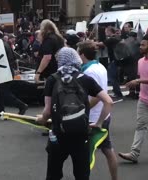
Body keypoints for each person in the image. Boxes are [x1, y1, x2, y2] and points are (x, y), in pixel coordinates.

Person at [37, 47, 113, 180]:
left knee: (53, 175)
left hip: (58, 136)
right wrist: (99, 123)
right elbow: (108, 101)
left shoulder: (52, 79)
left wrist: (42, 119)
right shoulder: (85, 79)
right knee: (82, 175)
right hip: (81, 134)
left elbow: (47, 112)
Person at [78, 41, 118, 180]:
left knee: (84, 154)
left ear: (82, 54)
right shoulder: (100, 66)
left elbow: (97, 95)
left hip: (93, 117)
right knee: (107, 149)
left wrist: (83, 108)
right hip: (103, 114)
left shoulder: (88, 71)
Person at [118, 35, 148, 163]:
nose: (140, 47)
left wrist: (138, 80)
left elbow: (141, 79)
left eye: (143, 45)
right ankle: (134, 153)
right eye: (140, 44)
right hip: (143, 100)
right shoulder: (140, 61)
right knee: (140, 126)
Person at [0, 30, 28, 118]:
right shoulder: (7, 44)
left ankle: (22, 106)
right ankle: (0, 111)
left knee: (5, 93)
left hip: (4, 71)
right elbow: (14, 58)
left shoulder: (0, 46)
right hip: (8, 70)